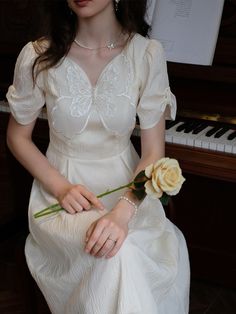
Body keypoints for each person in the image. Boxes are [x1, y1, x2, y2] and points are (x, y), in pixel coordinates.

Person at [6, 0, 190, 313]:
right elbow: (17, 136)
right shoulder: (37, 55)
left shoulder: (146, 54)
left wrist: (123, 211)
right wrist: (61, 188)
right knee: (112, 253)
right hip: (61, 194)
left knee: (123, 248)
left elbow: (153, 153)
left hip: (128, 191)